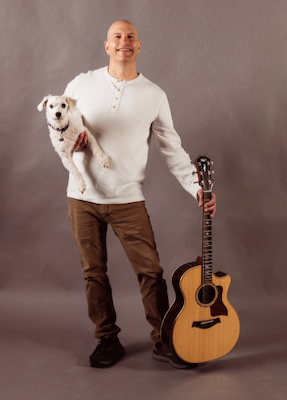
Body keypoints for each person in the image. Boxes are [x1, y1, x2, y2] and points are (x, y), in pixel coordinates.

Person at [63, 20, 217, 369]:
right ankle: (107, 339)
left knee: (150, 272)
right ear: (106, 46)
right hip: (82, 198)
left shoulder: (154, 95)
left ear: (139, 45)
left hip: (127, 199)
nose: (124, 42)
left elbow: (172, 149)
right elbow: (59, 131)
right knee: (94, 272)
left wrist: (197, 186)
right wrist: (73, 141)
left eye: (130, 36)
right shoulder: (81, 84)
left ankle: (165, 340)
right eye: (117, 36)